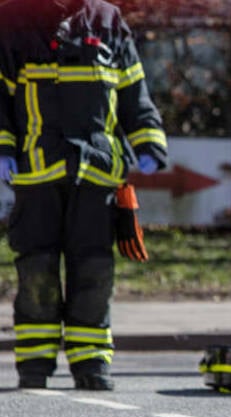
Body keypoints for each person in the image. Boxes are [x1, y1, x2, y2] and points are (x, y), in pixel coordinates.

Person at [0, 0, 168, 390]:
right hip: (36, 174)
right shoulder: (11, 21)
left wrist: (148, 141)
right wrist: (4, 149)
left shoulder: (107, 19)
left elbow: (132, 88)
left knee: (94, 269)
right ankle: (35, 365)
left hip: (96, 175)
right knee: (37, 269)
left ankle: (91, 363)